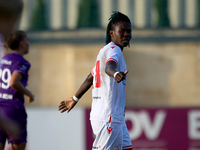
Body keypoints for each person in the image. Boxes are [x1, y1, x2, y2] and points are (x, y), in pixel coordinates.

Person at [59, 11, 133, 150]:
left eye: (129, 31)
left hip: (112, 117)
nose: (126, 34)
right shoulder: (114, 50)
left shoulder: (105, 50)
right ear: (111, 33)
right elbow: (109, 67)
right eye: (121, 31)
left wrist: (75, 98)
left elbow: (90, 78)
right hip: (109, 118)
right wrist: (115, 73)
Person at [0, 30, 34, 150]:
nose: (29, 43)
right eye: (27, 40)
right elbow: (13, 82)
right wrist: (29, 93)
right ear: (21, 44)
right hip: (13, 109)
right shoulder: (22, 62)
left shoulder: (3, 59)